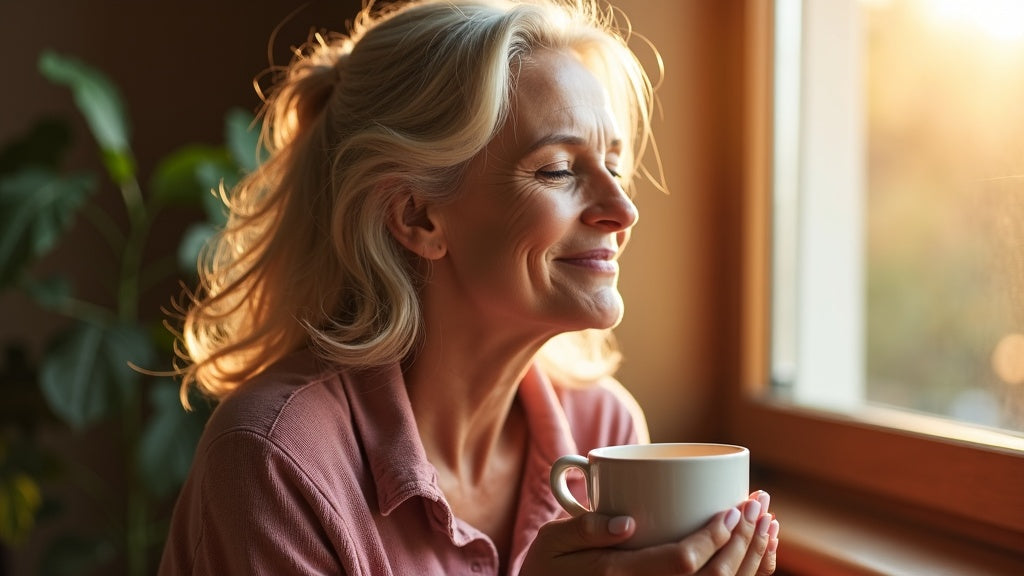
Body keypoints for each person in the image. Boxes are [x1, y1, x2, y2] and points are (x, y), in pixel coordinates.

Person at [158, 0, 780, 574]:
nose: (623, 209)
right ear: (418, 216)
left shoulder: (604, 428)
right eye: (559, 169)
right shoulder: (276, 460)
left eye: (614, 166)